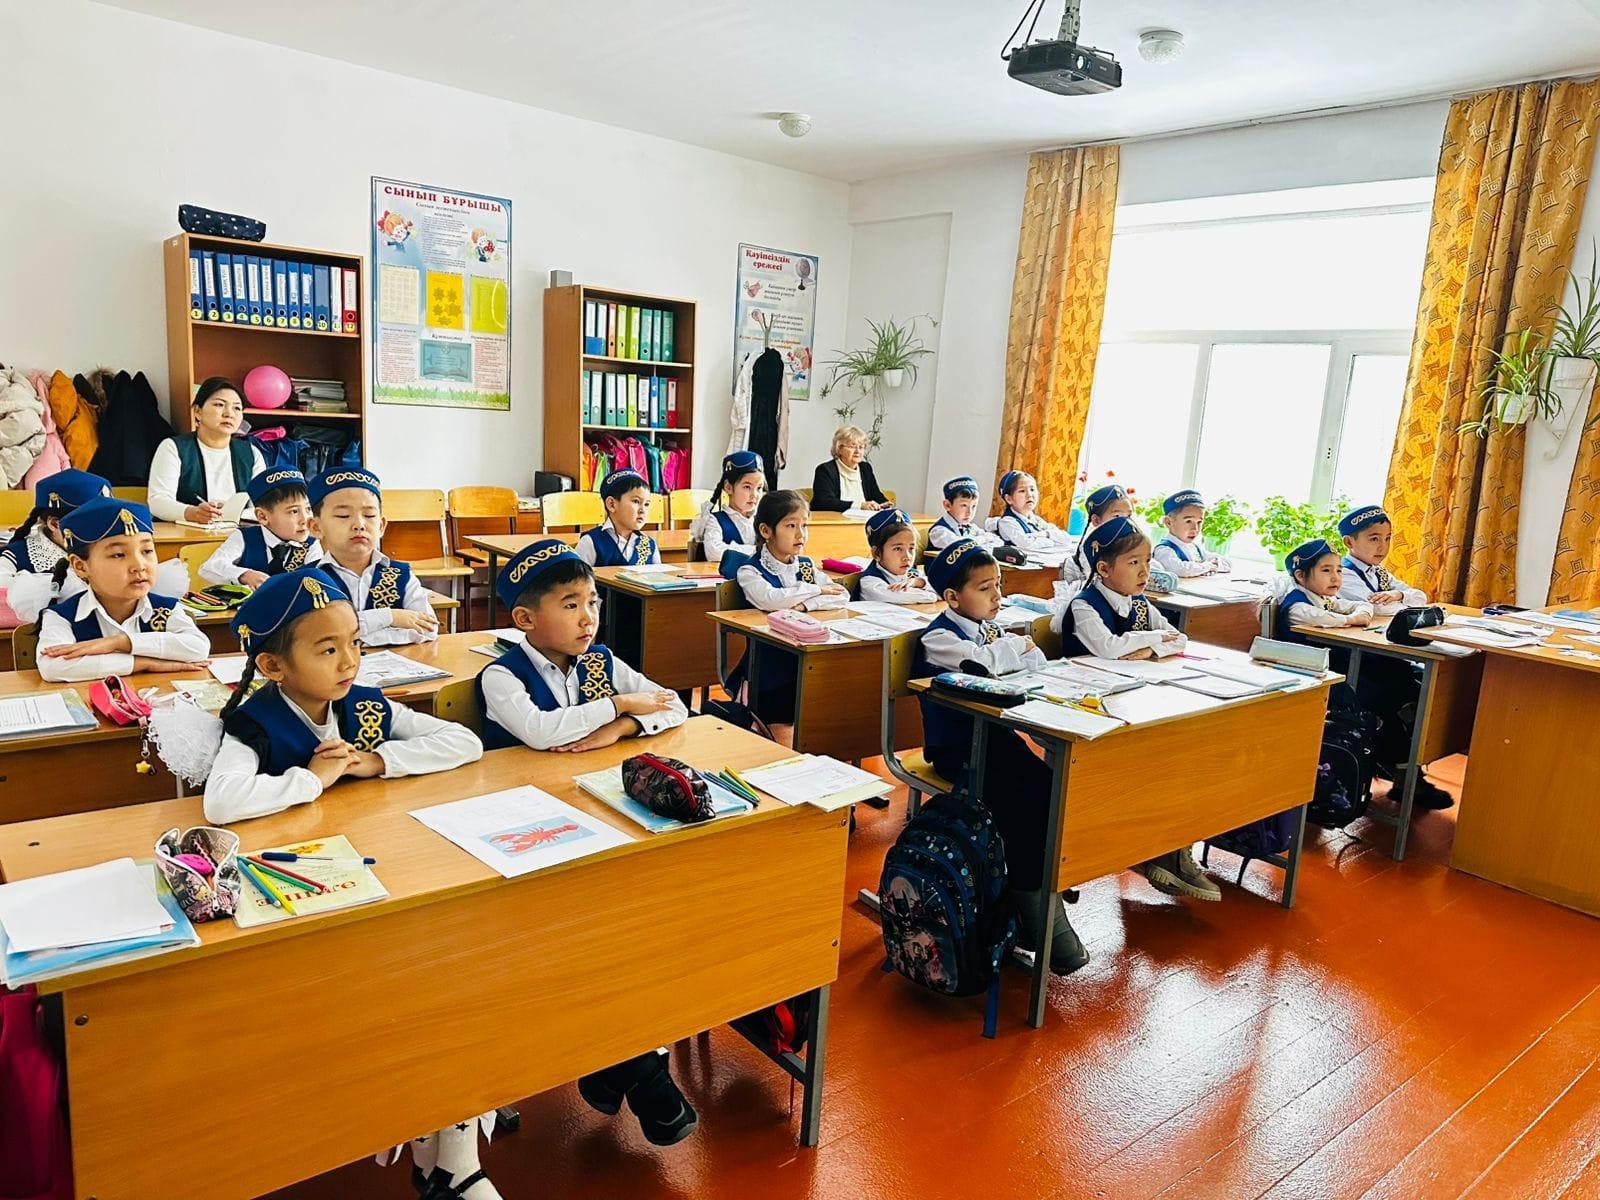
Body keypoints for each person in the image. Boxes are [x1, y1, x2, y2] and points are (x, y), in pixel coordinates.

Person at [196, 570, 491, 1198]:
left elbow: (464, 742)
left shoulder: (364, 705)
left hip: (377, 873)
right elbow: (221, 802)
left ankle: (446, 1132)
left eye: (354, 642)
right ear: (274, 666)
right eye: (328, 649)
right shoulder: (256, 723)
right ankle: (412, 1123)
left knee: (444, 964)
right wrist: (312, 779)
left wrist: (378, 761)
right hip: (301, 894)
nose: (350, 661)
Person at [473, 539, 698, 1147]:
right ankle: (639, 1067)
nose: (588, 617)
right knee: (587, 935)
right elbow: (540, 732)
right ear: (526, 619)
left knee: (634, 924)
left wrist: (621, 726)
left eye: (593, 602)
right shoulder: (502, 675)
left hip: (600, 815)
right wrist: (619, 705)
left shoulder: (600, 661)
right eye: (570, 604)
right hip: (522, 831)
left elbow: (674, 705)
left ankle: (615, 1063)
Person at [915, 538, 1088, 975]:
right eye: (984, 588)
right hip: (958, 750)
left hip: (996, 741)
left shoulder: (989, 630)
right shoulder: (939, 637)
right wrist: (1016, 648)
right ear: (953, 597)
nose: (997, 596)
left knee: (1050, 786)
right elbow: (983, 667)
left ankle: (1035, 888)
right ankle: (1035, 907)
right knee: (1024, 800)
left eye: (998, 585)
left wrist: (1015, 650)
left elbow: (1033, 661)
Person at [1057, 516, 1221, 902]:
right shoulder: (1084, 605)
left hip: (1132, 701)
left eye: (1147, 561)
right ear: (1103, 569)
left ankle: (1169, 849)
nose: (1145, 571)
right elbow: (1108, 648)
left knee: (1185, 750)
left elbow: (1178, 638)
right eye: (1134, 563)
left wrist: (1145, 647)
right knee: (1154, 759)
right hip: (1085, 712)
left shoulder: (1140, 604)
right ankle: (1157, 851)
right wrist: (1149, 643)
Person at [35, 498, 210, 682]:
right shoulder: (62, 616)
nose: (139, 566)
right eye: (118, 555)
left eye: (147, 551)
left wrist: (120, 643)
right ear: (81, 566)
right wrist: (143, 663)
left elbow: (198, 648)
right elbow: (52, 667)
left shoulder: (166, 608)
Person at [721, 490, 848, 735]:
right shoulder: (751, 570)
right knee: (785, 730)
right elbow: (770, 600)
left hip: (808, 659)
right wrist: (816, 590)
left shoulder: (806, 567)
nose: (801, 534)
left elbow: (841, 595)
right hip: (769, 670)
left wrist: (805, 605)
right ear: (766, 531)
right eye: (791, 526)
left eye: (804, 525)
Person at [308, 466, 438, 647]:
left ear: (382, 526)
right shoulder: (308, 580)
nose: (359, 524)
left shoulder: (401, 575)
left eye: (369, 515)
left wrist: (359, 638)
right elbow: (317, 633)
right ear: (315, 527)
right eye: (343, 516)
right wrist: (390, 617)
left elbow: (429, 629)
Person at [146, 377, 266, 524]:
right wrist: (192, 513)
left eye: (237, 408)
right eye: (219, 404)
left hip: (236, 532)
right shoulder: (173, 447)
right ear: (198, 411)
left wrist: (231, 513)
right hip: (184, 533)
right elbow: (158, 501)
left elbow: (263, 505)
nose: (229, 413)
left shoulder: (251, 453)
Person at [0, 469, 110, 612]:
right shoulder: (16, 556)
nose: (101, 531)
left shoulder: (115, 549)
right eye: (91, 523)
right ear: (54, 524)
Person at [199, 467, 323, 587]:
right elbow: (210, 567)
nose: (305, 519)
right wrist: (243, 575)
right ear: (262, 516)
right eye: (294, 511)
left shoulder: (312, 545)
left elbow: (318, 580)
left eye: (308, 509)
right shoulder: (245, 537)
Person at [1337, 505, 1427, 616]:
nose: (1383, 547)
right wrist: (1410, 603)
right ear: (1349, 542)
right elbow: (1379, 608)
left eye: (1387, 538)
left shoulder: (1379, 572)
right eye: (1374, 539)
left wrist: (1398, 594)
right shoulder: (1341, 573)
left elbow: (1420, 596)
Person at [689, 450, 763, 565]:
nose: (754, 495)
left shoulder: (762, 520)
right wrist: (756, 551)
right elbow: (714, 552)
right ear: (728, 487)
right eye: (747, 487)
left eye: (759, 488)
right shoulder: (715, 520)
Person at [575, 469, 661, 566]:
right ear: (611, 504)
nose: (643, 510)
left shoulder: (650, 545)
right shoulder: (591, 542)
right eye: (636, 501)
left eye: (646, 504)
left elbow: (658, 575)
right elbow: (578, 576)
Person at [852, 508, 937, 603]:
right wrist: (934, 594)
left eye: (911, 548)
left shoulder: (914, 574)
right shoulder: (870, 582)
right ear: (877, 553)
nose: (907, 557)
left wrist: (920, 582)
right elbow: (902, 597)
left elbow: (945, 587)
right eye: (898, 549)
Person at [1060, 482, 1133, 588]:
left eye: (1129, 516)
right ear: (1096, 520)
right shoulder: (1091, 548)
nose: (1124, 521)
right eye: (1117, 516)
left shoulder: (1129, 541)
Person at [809, 425, 890, 513]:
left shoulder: (865, 468)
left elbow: (876, 495)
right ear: (839, 449)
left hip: (864, 518)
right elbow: (824, 501)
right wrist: (860, 505)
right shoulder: (825, 470)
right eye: (852, 447)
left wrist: (885, 504)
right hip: (835, 519)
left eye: (861, 447)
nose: (857, 451)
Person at [1151, 490, 1230, 578]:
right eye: (1188, 521)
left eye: (1199, 522)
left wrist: (1213, 565)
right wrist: (1207, 566)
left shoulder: (1195, 547)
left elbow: (1227, 563)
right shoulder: (1164, 549)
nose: (1195, 528)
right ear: (1168, 522)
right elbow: (1181, 570)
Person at [993, 470, 1071, 551]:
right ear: (1009, 499)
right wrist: (1051, 541)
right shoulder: (1007, 522)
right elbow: (1026, 544)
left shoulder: (1036, 520)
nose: (1029, 495)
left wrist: (1045, 534)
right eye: (1022, 491)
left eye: (1032, 489)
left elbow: (1066, 538)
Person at [924, 476, 1003, 552]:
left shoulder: (972, 528)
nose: (969, 512)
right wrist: (984, 539)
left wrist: (981, 545)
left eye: (973, 506)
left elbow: (999, 542)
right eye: (964, 506)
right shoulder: (938, 531)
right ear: (947, 505)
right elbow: (960, 545)